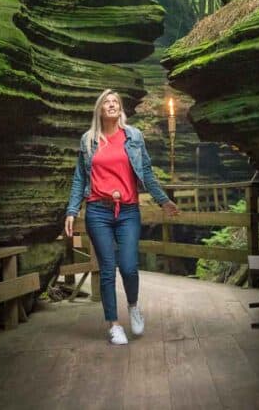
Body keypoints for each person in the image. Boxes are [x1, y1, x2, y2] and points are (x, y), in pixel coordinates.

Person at [65, 89, 179, 345]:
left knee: (128, 267)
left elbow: (146, 173)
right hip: (97, 210)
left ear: (121, 109)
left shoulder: (134, 136)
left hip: (128, 210)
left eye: (116, 101)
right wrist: (72, 211)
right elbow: (79, 179)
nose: (112, 104)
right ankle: (114, 325)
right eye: (107, 101)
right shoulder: (88, 140)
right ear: (99, 109)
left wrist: (164, 200)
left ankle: (134, 306)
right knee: (107, 269)